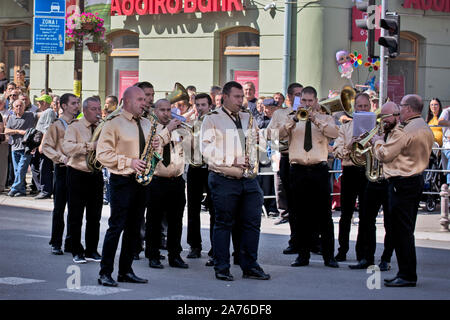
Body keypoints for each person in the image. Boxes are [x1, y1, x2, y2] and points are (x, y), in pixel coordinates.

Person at [201, 80, 270, 281]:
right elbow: (206, 149)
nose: (242, 101)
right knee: (223, 223)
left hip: (248, 178)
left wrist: (259, 141)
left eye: (242, 97)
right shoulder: (212, 119)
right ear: (225, 97)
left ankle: (250, 265)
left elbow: (260, 142)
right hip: (224, 178)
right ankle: (222, 267)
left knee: (251, 223)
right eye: (237, 97)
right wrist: (232, 159)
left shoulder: (248, 117)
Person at [96, 86, 159, 287]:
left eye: (145, 99)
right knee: (117, 227)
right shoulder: (113, 123)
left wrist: (158, 146)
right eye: (140, 99)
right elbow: (102, 154)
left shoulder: (148, 123)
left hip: (142, 181)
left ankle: (126, 270)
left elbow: (152, 150)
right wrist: (128, 162)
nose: (145, 102)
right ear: (128, 101)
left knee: (134, 229)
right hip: (122, 180)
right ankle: (105, 272)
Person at [372, 94, 434, 287]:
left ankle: (406, 274)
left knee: (401, 232)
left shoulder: (405, 130)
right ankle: (406, 272)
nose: (399, 110)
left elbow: (384, 154)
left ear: (408, 108)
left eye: (401, 106)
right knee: (406, 230)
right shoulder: (424, 126)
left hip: (401, 182)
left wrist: (377, 141)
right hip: (414, 180)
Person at [278, 86, 339, 269]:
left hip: (319, 169)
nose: (306, 104)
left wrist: (316, 120)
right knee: (299, 214)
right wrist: (294, 121)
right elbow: (278, 135)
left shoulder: (326, 118)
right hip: (297, 169)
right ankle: (302, 255)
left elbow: (335, 133)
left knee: (324, 215)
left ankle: (329, 256)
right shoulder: (291, 119)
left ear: (316, 101)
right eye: (303, 101)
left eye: (310, 101)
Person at [348, 102, 400, 271]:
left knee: (390, 223)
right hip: (373, 180)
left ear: (396, 116)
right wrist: (365, 143)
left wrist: (378, 143)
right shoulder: (377, 132)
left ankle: (386, 258)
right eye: (380, 117)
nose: (383, 120)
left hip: (389, 181)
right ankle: (366, 258)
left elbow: (390, 155)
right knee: (366, 221)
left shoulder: (399, 134)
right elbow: (362, 156)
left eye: (386, 117)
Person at [145, 99, 189, 270]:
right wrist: (168, 129)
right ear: (155, 111)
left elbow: (192, 149)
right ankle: (153, 255)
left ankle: (175, 255)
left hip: (176, 179)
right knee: (154, 220)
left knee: (176, 220)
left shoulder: (178, 129)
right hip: (157, 180)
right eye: (162, 110)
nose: (166, 113)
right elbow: (154, 145)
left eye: (168, 110)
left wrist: (186, 133)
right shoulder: (149, 128)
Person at [62, 97, 104, 264]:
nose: (97, 112)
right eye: (93, 109)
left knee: (95, 215)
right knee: (76, 214)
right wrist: (89, 146)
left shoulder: (102, 127)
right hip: (77, 173)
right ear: (85, 111)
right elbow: (67, 148)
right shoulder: (75, 127)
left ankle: (92, 250)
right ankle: (76, 250)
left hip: (96, 173)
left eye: (99, 108)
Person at [333, 93, 371, 262]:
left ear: (370, 107)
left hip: (366, 171)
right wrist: (350, 144)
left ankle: (361, 252)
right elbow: (336, 152)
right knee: (346, 214)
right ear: (354, 108)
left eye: (365, 106)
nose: (362, 109)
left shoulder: (375, 127)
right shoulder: (345, 128)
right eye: (359, 106)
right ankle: (342, 250)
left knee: (365, 215)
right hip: (349, 172)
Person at [266, 82, 303, 252]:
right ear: (288, 97)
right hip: (288, 157)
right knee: (293, 204)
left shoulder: (312, 112)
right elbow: (270, 134)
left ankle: (313, 240)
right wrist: (290, 121)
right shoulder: (280, 114)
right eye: (297, 94)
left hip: (307, 159)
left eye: (302, 94)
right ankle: (295, 241)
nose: (300, 98)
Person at [42, 93, 80, 255]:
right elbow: (46, 147)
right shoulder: (56, 125)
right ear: (64, 106)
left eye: (78, 103)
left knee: (75, 209)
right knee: (59, 208)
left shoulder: (80, 124)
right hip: (62, 169)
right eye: (73, 103)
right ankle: (56, 242)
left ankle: (71, 242)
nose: (77, 106)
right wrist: (60, 157)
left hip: (77, 169)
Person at [185, 93, 215, 262]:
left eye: (203, 104)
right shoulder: (192, 124)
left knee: (214, 209)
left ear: (210, 106)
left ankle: (215, 247)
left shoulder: (215, 123)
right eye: (198, 105)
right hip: (195, 168)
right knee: (193, 209)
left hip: (210, 168)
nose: (200, 108)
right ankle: (194, 245)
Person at [4, 99, 37, 197]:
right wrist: (18, 131)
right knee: (17, 170)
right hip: (14, 147)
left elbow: (41, 114)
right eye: (16, 106)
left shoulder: (30, 115)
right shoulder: (11, 118)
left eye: (20, 106)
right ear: (13, 108)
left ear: (24, 106)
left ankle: (14, 188)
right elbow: (6, 130)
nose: (18, 108)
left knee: (22, 169)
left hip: (26, 148)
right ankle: (21, 190)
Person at [31, 94, 57, 199]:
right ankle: (42, 189)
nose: (38, 103)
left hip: (45, 144)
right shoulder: (45, 112)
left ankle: (46, 190)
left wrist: (42, 145)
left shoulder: (49, 112)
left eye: (40, 102)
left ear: (45, 102)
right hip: (40, 143)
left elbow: (47, 129)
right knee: (35, 166)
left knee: (44, 167)